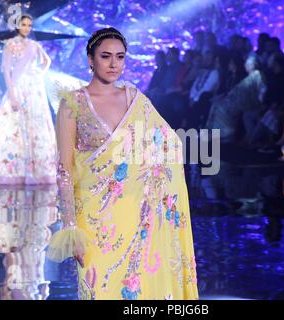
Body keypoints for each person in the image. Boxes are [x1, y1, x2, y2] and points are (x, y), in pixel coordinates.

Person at [47, 27, 198, 300]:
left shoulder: (135, 99)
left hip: (137, 212)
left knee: (140, 289)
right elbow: (64, 169)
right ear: (90, 59)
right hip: (93, 217)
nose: (114, 64)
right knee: (99, 287)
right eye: (106, 56)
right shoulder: (73, 104)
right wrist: (70, 226)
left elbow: (168, 144)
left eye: (120, 57)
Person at [0, 14, 56, 184]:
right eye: (24, 25)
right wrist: (12, 95)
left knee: (35, 127)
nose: (27, 28)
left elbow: (46, 61)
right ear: (17, 26)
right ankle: (8, 170)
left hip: (34, 90)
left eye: (29, 25)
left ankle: (35, 171)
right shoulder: (11, 45)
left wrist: (37, 74)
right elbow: (6, 71)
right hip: (17, 87)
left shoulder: (34, 45)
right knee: (10, 127)